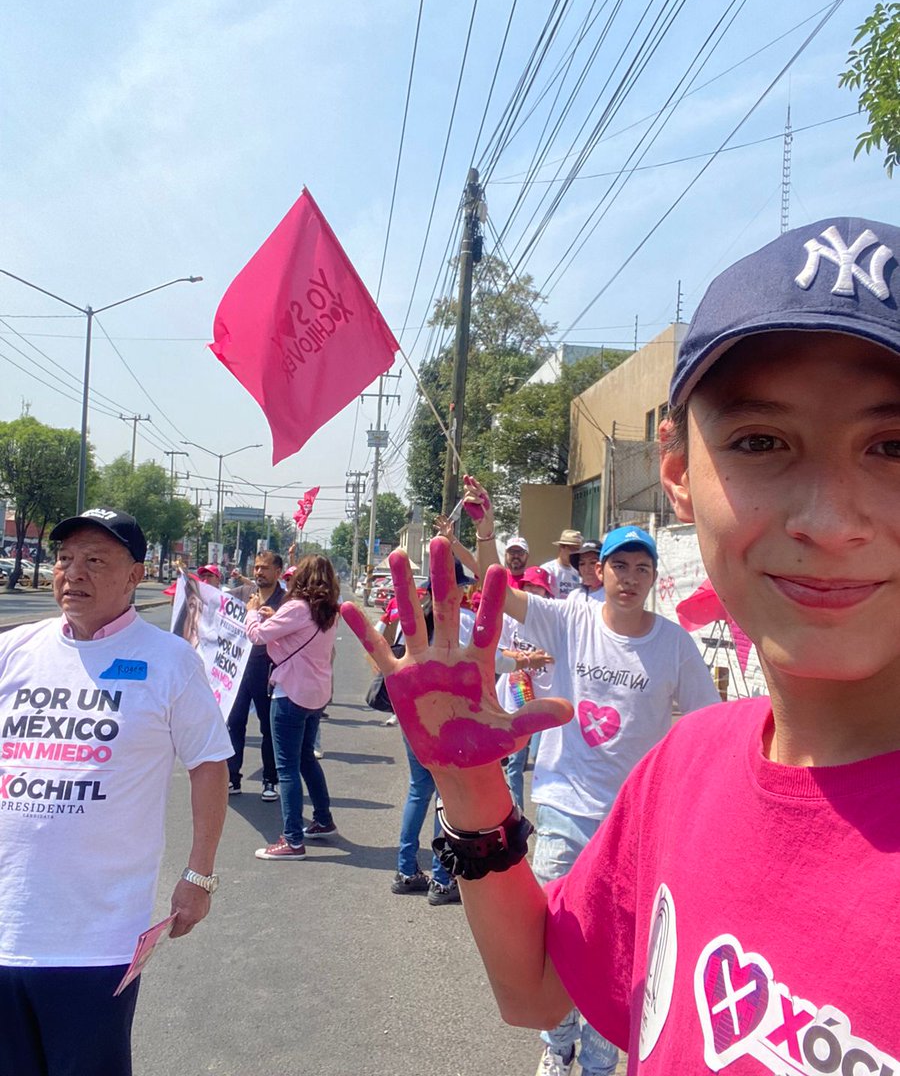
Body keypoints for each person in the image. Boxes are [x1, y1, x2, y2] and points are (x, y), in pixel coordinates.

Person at [341, 216, 900, 1068]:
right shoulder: (689, 766)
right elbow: (535, 986)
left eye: (893, 447)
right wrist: (470, 787)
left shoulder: (677, 656)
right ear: (677, 473)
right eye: (761, 443)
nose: (828, 521)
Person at [480, 509, 717, 1075]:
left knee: (615, 951)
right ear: (597, 571)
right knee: (557, 938)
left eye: (641, 568)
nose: (629, 578)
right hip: (563, 806)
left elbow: (711, 721)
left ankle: (599, 1059)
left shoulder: (675, 646)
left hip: (634, 825)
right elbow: (504, 596)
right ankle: (557, 1044)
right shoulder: (569, 619)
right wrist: (488, 533)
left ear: (653, 578)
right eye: (618, 566)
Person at [0, 507, 231, 1076]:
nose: (72, 573)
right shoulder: (15, 649)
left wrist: (198, 874)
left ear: (135, 576)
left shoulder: (170, 662)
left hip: (96, 940)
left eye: (95, 561)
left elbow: (209, 763)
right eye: (64, 559)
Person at [391, 558, 475, 905]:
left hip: (413, 718)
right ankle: (441, 879)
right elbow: (491, 662)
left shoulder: (411, 620)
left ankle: (406, 870)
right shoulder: (463, 621)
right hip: (449, 721)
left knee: (417, 792)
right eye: (462, 586)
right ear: (453, 589)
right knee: (446, 798)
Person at [250, 555, 340, 859]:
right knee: (305, 760)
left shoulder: (296, 608)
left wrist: (252, 614)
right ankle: (323, 819)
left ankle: (292, 840)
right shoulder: (329, 612)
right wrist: (275, 615)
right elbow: (297, 635)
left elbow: (258, 636)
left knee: (286, 767)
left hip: (290, 693)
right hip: (316, 694)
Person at [226, 550, 285, 800]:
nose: (259, 572)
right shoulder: (241, 595)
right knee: (234, 723)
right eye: (257, 567)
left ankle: (269, 780)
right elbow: (214, 608)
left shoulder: (286, 602)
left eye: (265, 568)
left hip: (269, 671)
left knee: (268, 727)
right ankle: (232, 778)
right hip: (238, 670)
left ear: (278, 572)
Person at [496, 565, 555, 811]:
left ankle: (546, 811)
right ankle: (517, 813)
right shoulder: (511, 617)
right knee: (514, 763)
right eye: (528, 586)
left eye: (538, 588)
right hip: (516, 693)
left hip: (545, 699)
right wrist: (526, 658)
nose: (532, 591)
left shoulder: (554, 619)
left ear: (546, 593)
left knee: (544, 760)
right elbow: (500, 650)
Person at [540, 530, 583, 599]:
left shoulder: (578, 572)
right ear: (561, 547)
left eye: (578, 550)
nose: (575, 553)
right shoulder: (547, 569)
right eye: (572, 549)